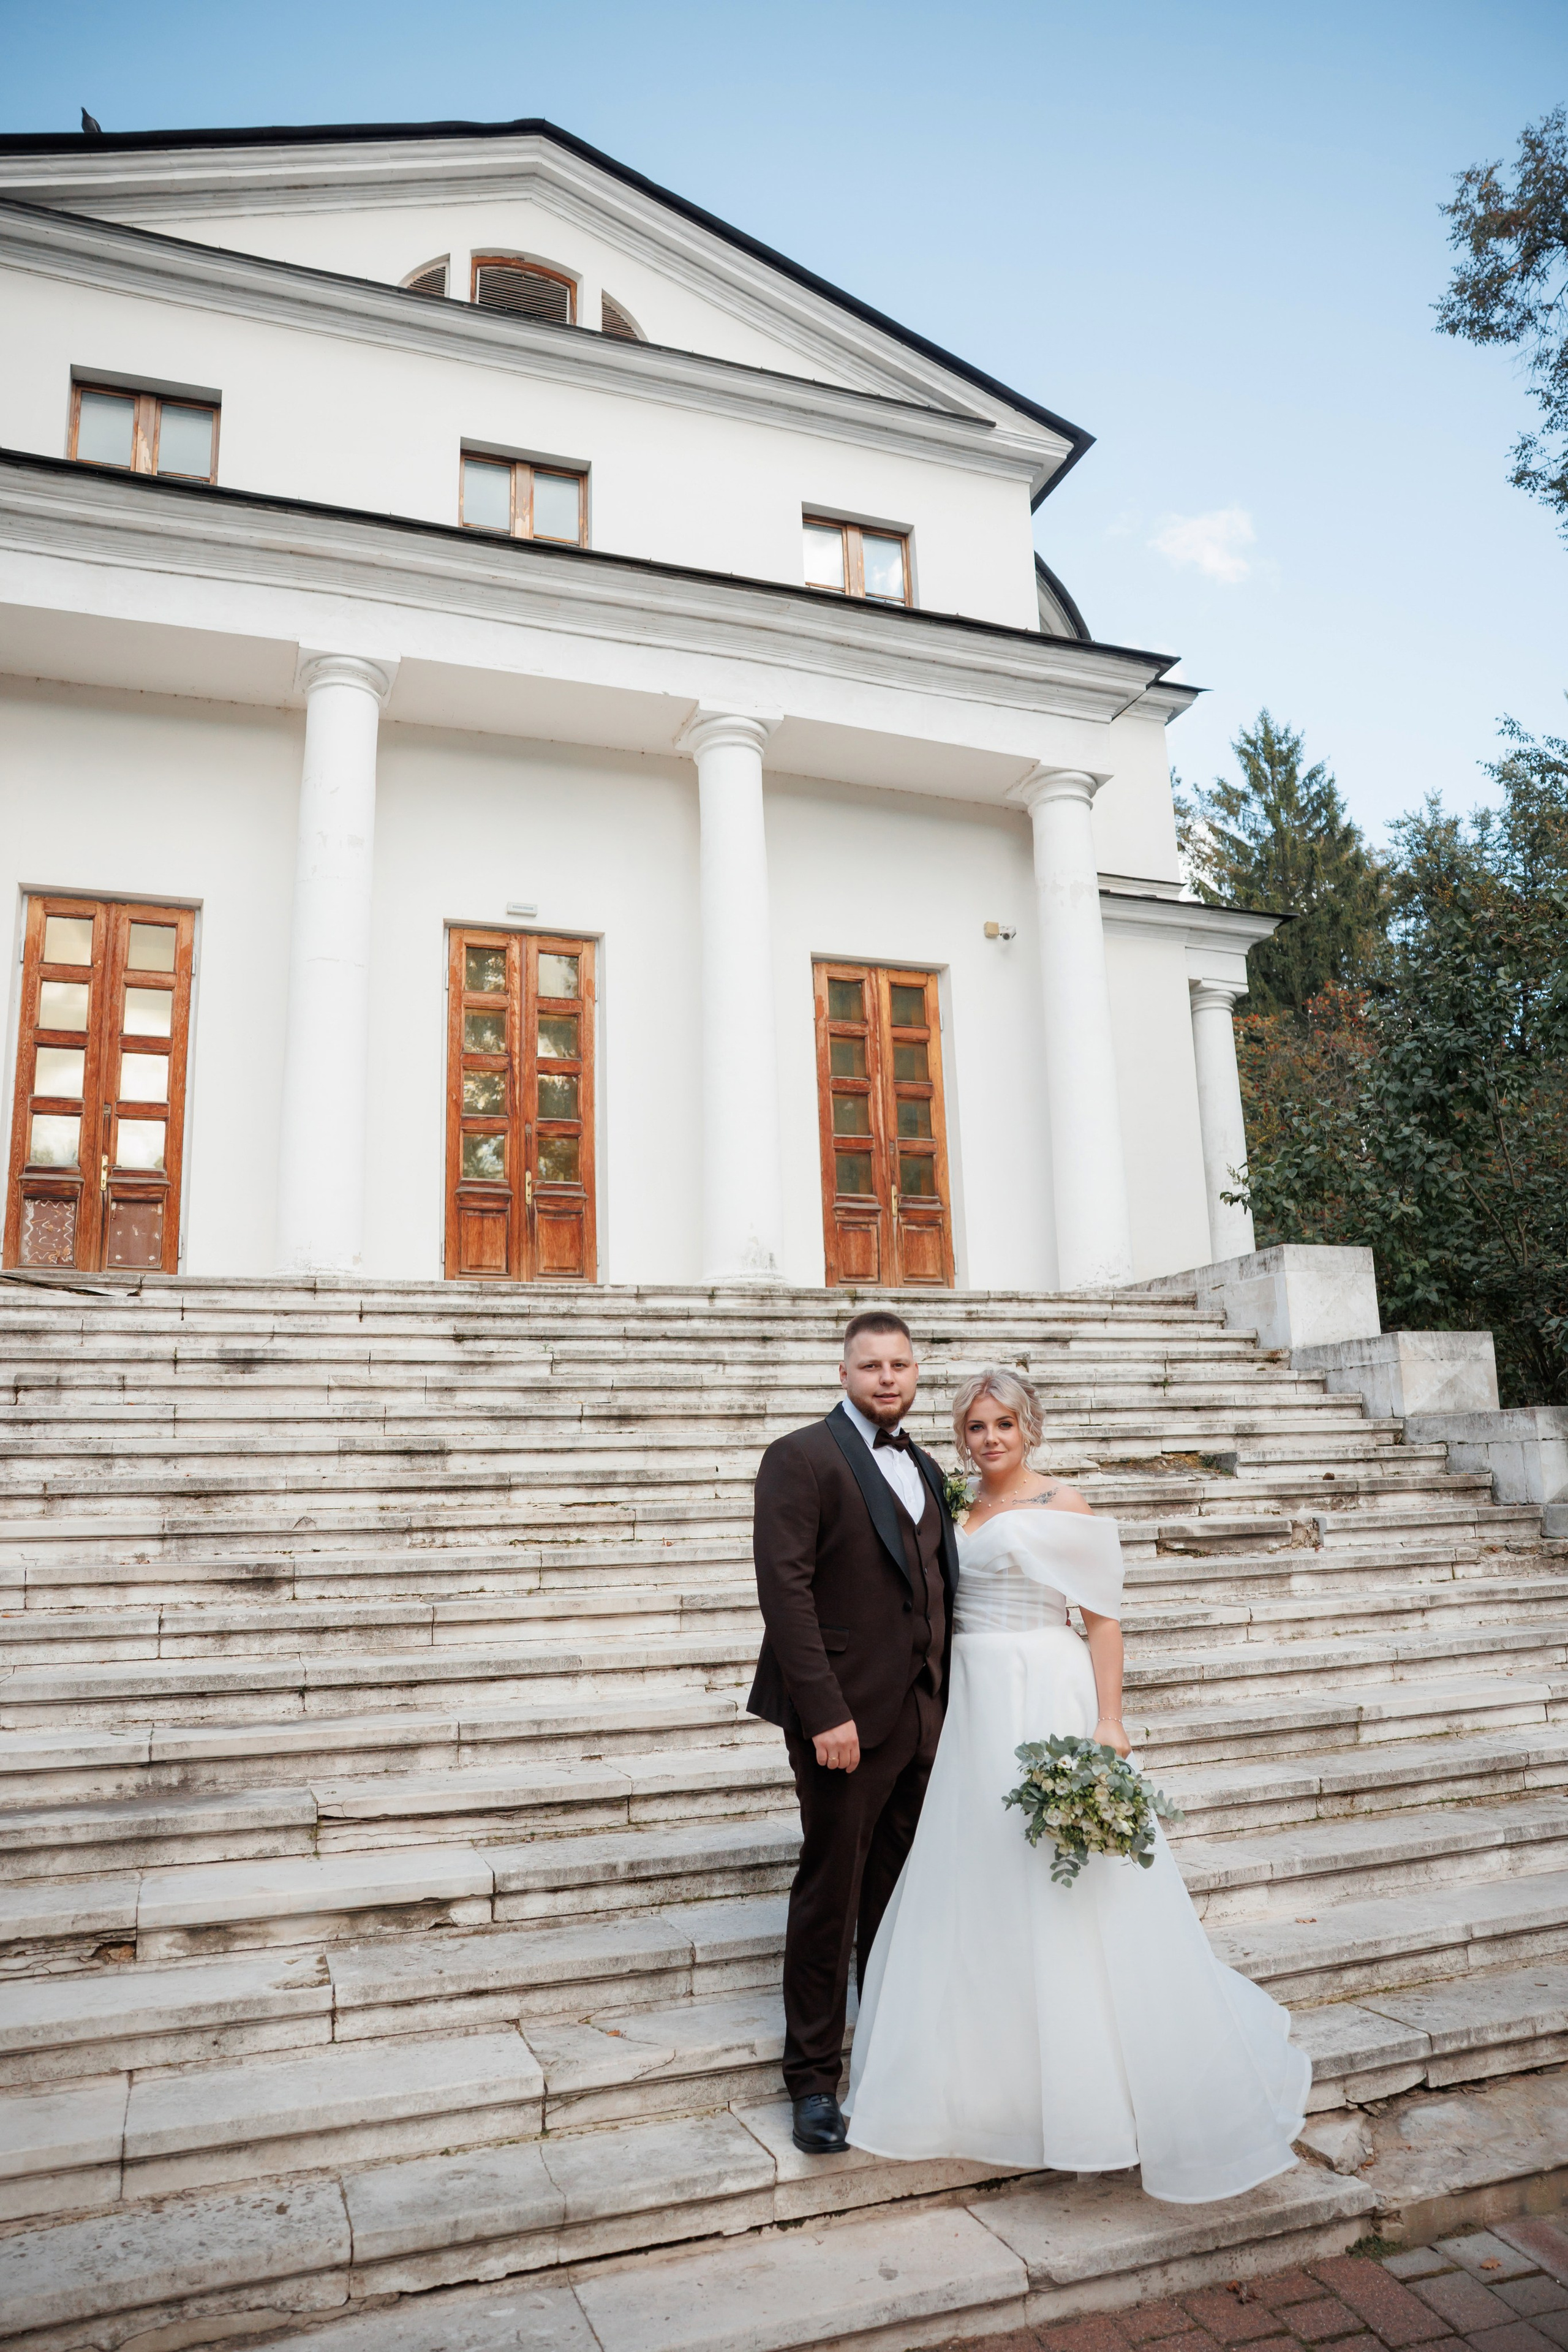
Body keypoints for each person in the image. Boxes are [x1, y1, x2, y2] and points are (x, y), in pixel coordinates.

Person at [842, 1365, 1311, 2205]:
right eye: (976, 1428)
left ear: (1030, 1428)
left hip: (1042, 1689)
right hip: (973, 1703)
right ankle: (996, 2081)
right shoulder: (957, 1506)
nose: (988, 1440)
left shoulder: (1066, 1507)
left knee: (1067, 1880)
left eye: (1003, 1426)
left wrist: (1110, 1720)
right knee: (980, 1872)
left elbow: (1103, 1618)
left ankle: (1100, 2086)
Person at [748, 1310, 958, 2155]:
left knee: (896, 1898)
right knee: (831, 1896)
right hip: (842, 1721)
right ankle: (811, 2082)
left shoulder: (930, 1464)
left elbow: (939, 1589)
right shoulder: (799, 1458)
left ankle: (888, 2057)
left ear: (916, 1373)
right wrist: (825, 1708)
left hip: (921, 1718)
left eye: (900, 1364)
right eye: (870, 1365)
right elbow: (785, 1592)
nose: (886, 1378)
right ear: (843, 1372)